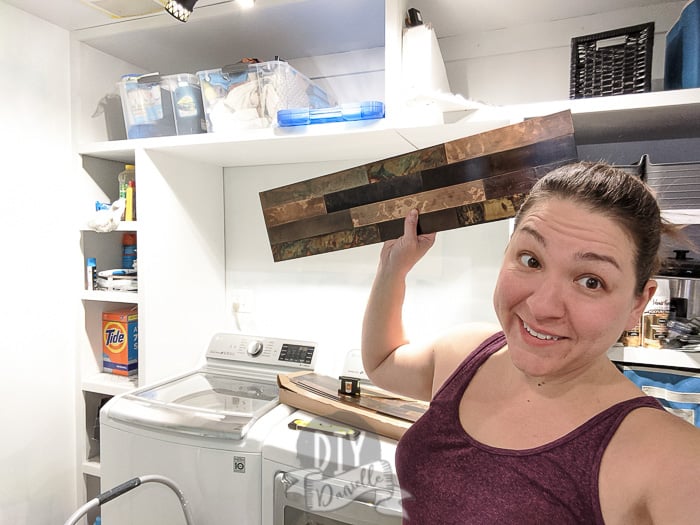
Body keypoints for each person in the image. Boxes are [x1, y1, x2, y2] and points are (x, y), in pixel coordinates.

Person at [361, 161, 700, 524]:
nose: (542, 307)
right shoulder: (465, 353)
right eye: (530, 259)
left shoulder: (671, 457)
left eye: (590, 281)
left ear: (638, 303)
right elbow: (383, 362)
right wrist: (392, 269)